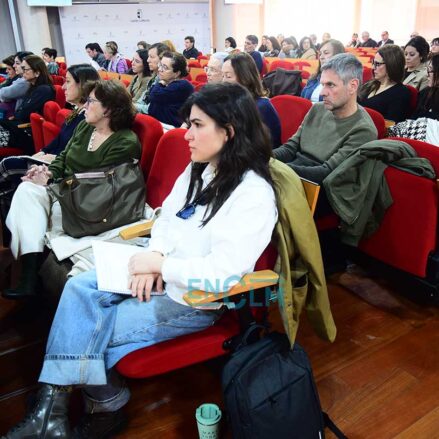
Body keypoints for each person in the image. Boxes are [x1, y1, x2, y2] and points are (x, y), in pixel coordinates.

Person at [2, 82, 277, 439]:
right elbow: (166, 218)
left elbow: (222, 275)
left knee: (82, 332)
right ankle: (56, 412)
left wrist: (161, 267)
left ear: (230, 131)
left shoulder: (253, 195)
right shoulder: (203, 167)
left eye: (197, 125)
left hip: (192, 299)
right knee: (77, 289)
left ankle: (100, 406)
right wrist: (155, 254)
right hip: (160, 267)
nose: (187, 135)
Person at [3, 80, 141, 300]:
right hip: (63, 190)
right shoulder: (85, 126)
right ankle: (28, 276)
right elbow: (64, 157)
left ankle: (28, 273)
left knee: (30, 202)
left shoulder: (125, 142)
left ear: (108, 109)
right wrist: (47, 173)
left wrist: (51, 184)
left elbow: (97, 185)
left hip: (91, 202)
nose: (84, 106)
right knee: (26, 189)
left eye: (91, 101)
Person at [273, 53, 377, 186]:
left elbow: (327, 173)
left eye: (330, 85)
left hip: (319, 188)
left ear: (352, 86)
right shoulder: (317, 109)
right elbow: (290, 148)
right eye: (322, 85)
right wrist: (264, 158)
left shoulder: (363, 130)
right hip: (293, 176)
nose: (322, 92)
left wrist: (276, 168)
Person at [0, 64, 100, 199]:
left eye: (68, 81)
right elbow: (59, 139)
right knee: (11, 168)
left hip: (58, 168)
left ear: (82, 85)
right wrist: (42, 152)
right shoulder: (77, 113)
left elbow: (74, 155)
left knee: (8, 165)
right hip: (51, 161)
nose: (63, 87)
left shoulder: (88, 119)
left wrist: (51, 159)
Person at [222, 52, 281, 147]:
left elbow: (256, 147)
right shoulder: (232, 101)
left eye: (228, 76)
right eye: (222, 76)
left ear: (244, 78)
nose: (223, 81)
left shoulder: (261, 107)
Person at [0, 55, 55, 154]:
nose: (22, 71)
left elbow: (23, 113)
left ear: (37, 73)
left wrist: (16, 115)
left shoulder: (43, 90)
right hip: (18, 128)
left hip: (24, 133)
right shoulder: (33, 87)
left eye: (25, 69)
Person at [358, 44, 410, 122]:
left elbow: (391, 124)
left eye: (377, 64)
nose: (373, 67)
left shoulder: (401, 93)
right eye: (373, 63)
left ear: (391, 65)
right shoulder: (371, 84)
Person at [148, 51, 194, 127]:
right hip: (159, 124)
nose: (160, 69)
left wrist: (160, 83)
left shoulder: (182, 85)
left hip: (171, 128)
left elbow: (154, 95)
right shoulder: (166, 83)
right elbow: (151, 93)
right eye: (160, 65)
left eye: (165, 67)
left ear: (177, 73)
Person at [134, 42, 169, 114]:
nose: (148, 60)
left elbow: (150, 109)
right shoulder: (154, 78)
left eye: (152, 57)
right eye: (148, 57)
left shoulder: (166, 81)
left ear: (162, 59)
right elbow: (142, 100)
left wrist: (130, 106)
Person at [0, 51, 33, 116]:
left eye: (17, 63)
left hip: (16, 115)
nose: (14, 65)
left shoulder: (24, 82)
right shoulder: (21, 79)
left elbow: (3, 94)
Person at [409, 54, 439, 120]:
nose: (427, 74)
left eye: (431, 69)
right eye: (428, 69)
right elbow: (413, 116)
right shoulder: (426, 91)